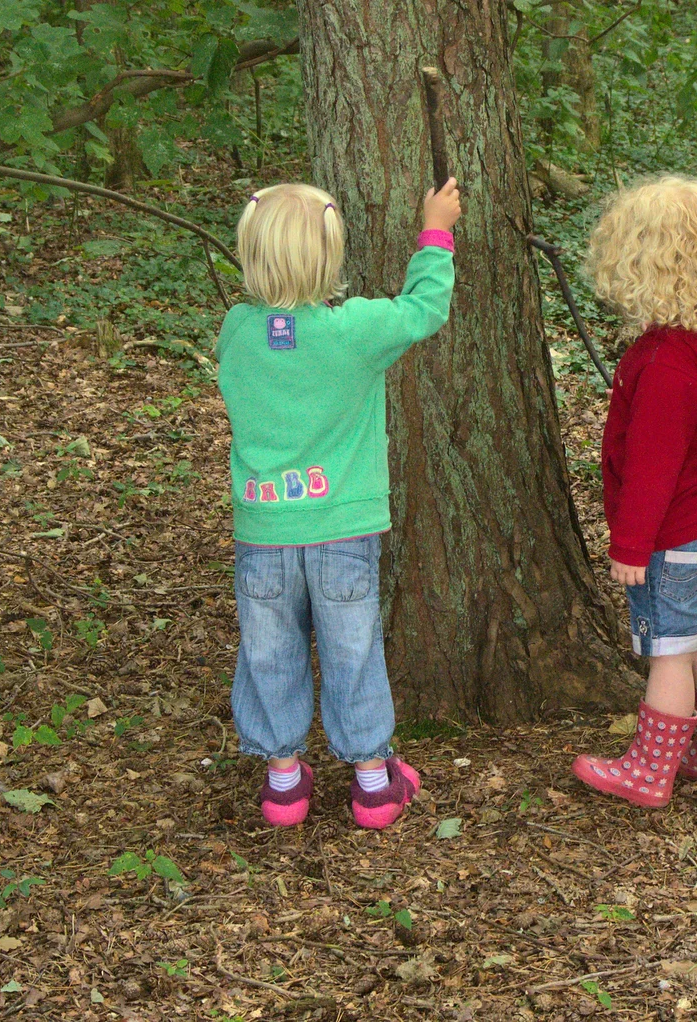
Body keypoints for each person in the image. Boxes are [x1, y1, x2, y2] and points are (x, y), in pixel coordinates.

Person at [217, 176, 462, 830]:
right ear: (330, 259)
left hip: (264, 530)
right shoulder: (352, 330)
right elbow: (423, 309)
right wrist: (435, 231)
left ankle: (283, 782)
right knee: (352, 650)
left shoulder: (238, 331)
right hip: (342, 531)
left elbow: (278, 342)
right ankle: (374, 783)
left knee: (269, 650)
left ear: (251, 257)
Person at [571, 175, 697, 807]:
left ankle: (650, 773)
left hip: (673, 534)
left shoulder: (665, 365)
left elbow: (653, 468)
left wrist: (630, 545)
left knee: (669, 654)